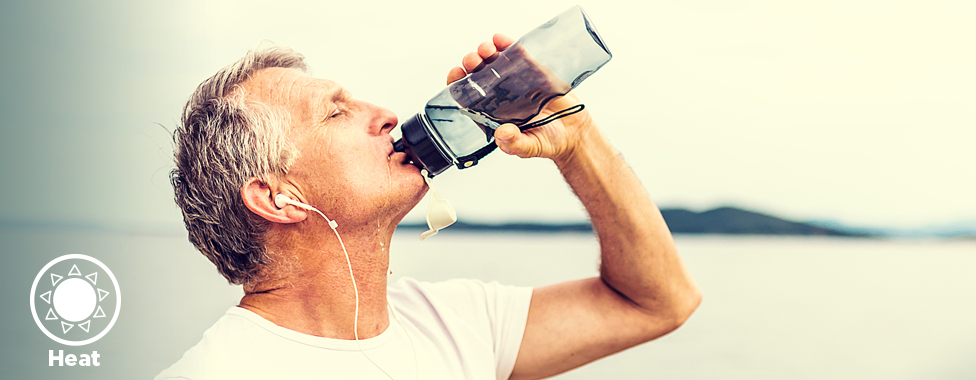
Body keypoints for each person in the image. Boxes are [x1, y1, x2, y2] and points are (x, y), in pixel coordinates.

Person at [157, 33, 702, 380]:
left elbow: (658, 303)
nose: (387, 114)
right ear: (279, 198)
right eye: (336, 114)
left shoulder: (453, 322)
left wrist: (578, 139)